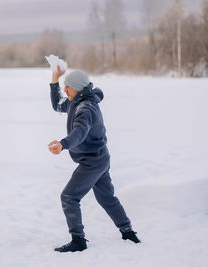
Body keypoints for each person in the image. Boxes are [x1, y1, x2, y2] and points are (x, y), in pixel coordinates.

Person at [48, 66, 140, 253]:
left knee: (69, 197)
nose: (65, 91)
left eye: (68, 88)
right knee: (107, 198)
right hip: (99, 158)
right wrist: (55, 79)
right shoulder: (76, 100)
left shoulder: (86, 108)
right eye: (65, 87)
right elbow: (57, 104)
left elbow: (80, 131)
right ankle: (128, 232)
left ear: (78, 89)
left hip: (93, 162)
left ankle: (78, 241)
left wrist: (64, 144)